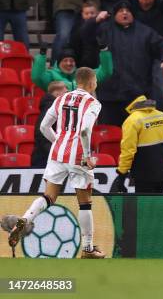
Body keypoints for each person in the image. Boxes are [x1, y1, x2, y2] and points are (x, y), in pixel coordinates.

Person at [8, 67, 105, 259]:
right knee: (85, 203)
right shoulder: (93, 102)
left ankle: (25, 220)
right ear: (92, 82)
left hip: (57, 153)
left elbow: (44, 126)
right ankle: (87, 250)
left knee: (49, 196)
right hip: (77, 155)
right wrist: (87, 155)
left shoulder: (60, 98)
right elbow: (85, 131)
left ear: (77, 81)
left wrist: (58, 143)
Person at [96, 0, 163, 126]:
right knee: (112, 136)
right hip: (109, 96)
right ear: (114, 14)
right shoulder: (104, 29)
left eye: (128, 11)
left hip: (137, 95)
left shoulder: (146, 32)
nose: (125, 13)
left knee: (137, 135)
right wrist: (94, 21)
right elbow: (83, 37)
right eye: (121, 11)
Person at [112, 95, 163, 193]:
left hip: (143, 174)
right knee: (159, 206)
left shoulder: (132, 120)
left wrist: (122, 175)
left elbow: (128, 151)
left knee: (144, 206)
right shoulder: (161, 116)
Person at [32, 46, 113, 92]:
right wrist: (42, 55)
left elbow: (105, 72)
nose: (69, 63)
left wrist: (104, 50)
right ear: (59, 63)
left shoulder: (83, 75)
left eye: (72, 61)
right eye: (65, 60)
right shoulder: (50, 76)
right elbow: (37, 77)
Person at [31, 81, 69, 168]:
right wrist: (55, 152)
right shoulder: (51, 107)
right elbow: (41, 132)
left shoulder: (54, 107)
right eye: (65, 92)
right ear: (57, 93)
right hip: (45, 158)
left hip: (46, 156)